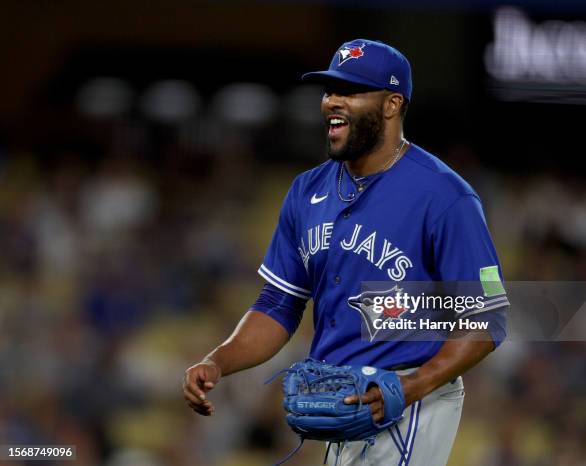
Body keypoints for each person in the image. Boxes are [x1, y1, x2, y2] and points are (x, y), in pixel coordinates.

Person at [183, 38, 509, 466]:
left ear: (392, 104)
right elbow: (280, 303)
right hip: (341, 397)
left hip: (411, 402)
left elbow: (486, 318)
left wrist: (414, 385)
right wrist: (218, 360)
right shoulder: (307, 190)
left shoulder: (446, 197)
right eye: (329, 90)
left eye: (350, 91)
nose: (333, 102)